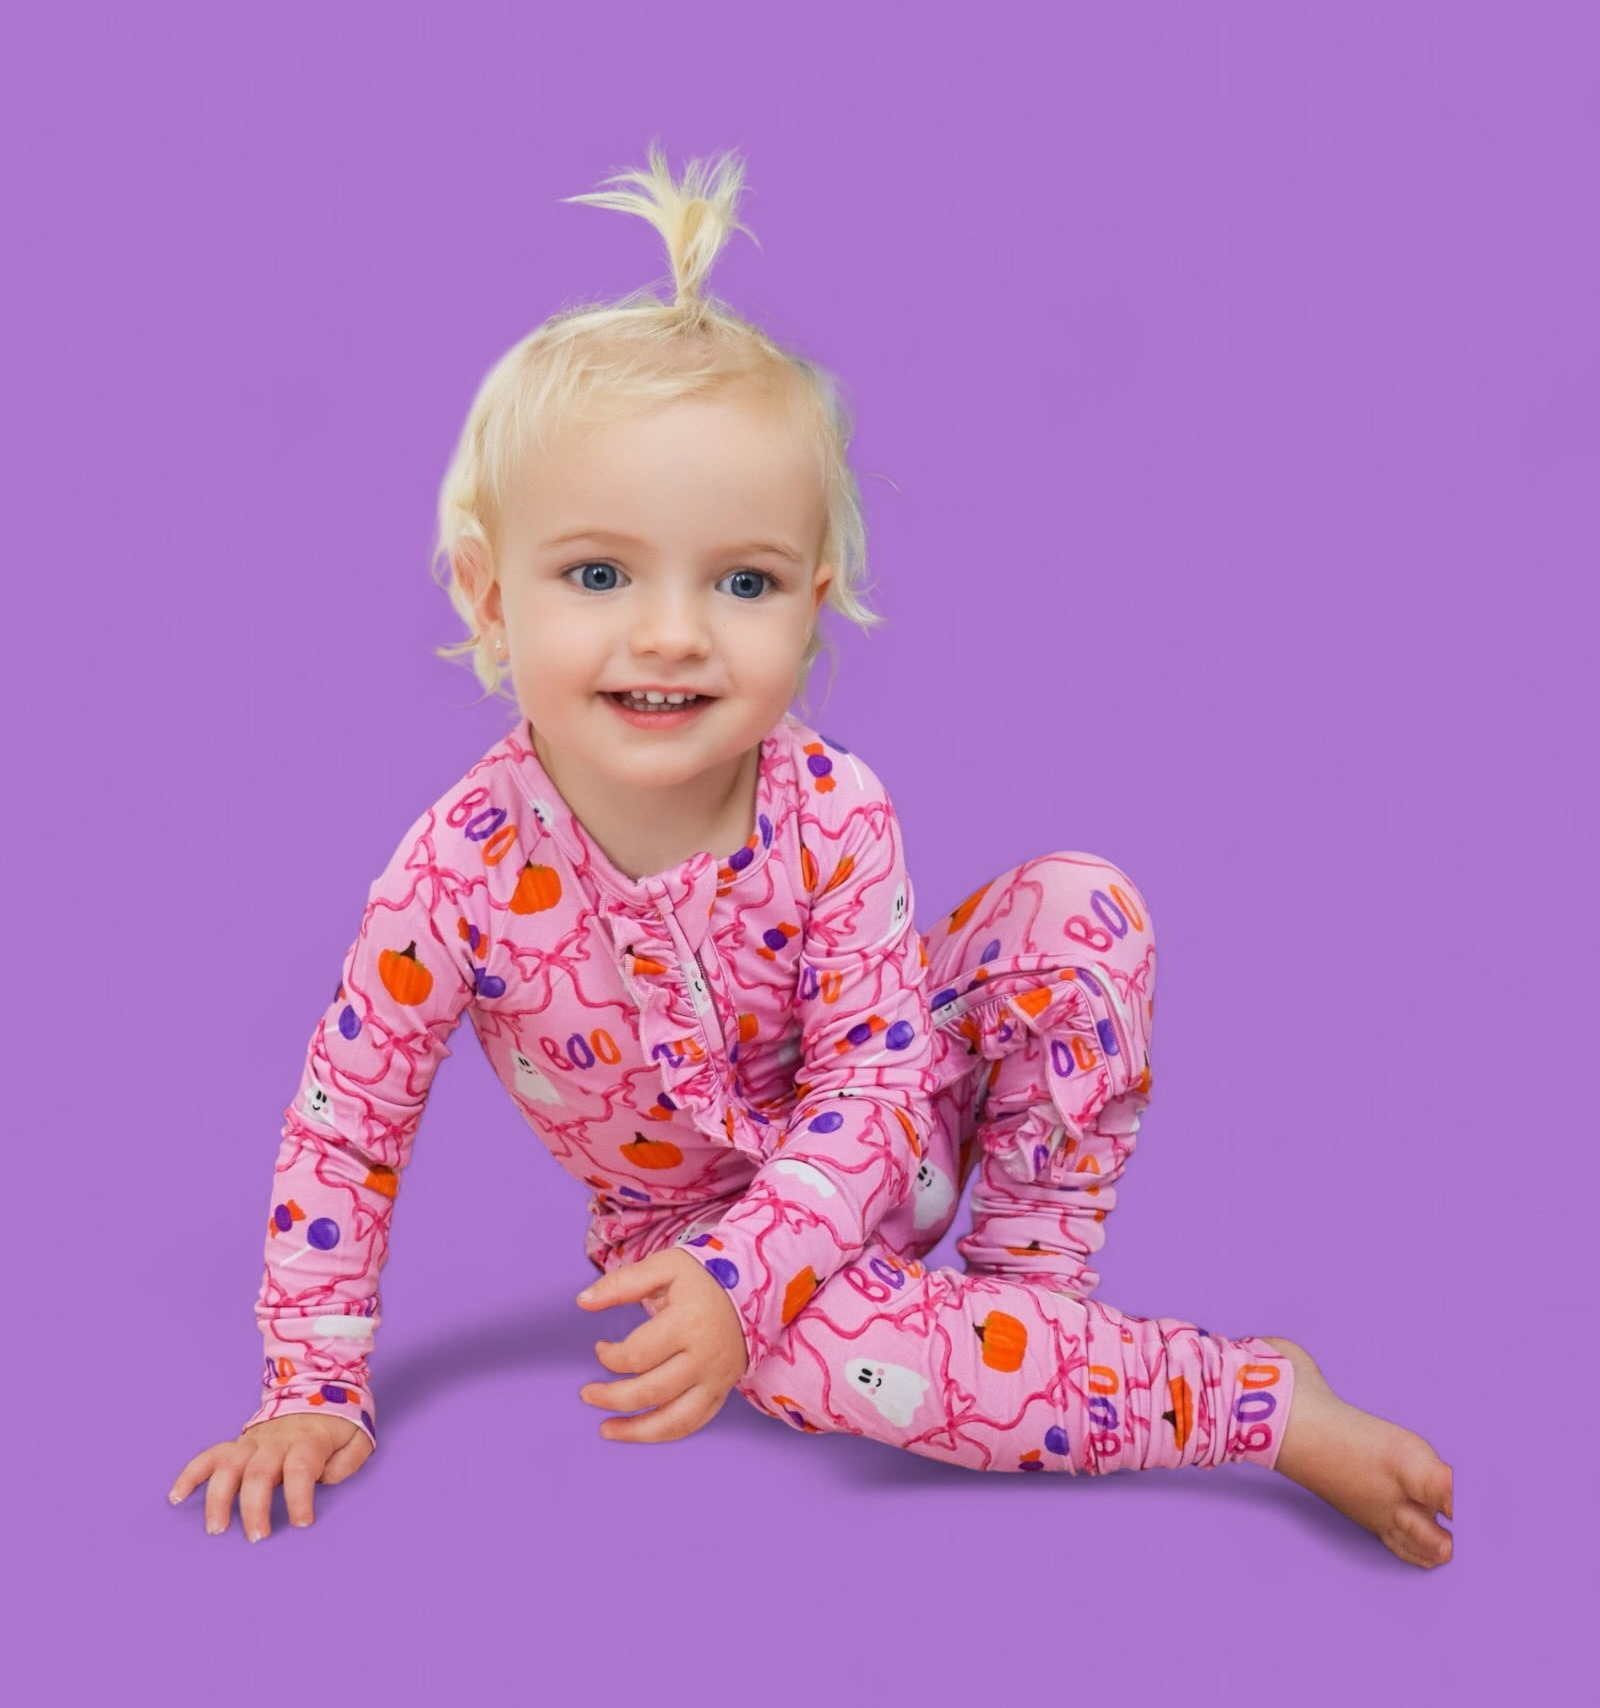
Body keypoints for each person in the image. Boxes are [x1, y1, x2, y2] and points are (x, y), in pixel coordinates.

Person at [167, 142, 1454, 1569]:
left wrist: (775, 1258)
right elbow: (347, 1130)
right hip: (690, 1235)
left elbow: (879, 1081)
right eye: (598, 574)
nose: (672, 633)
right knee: (850, 1361)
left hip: (888, 1133)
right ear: (489, 596)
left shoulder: (832, 804)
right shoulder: (450, 877)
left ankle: (1034, 1299)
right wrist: (313, 1385)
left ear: (812, 602)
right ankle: (1249, 1403)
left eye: (743, 581)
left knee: (1079, 908)